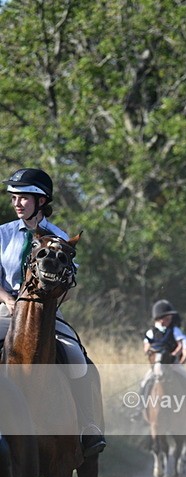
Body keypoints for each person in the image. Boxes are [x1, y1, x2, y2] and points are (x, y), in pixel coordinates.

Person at [0, 168, 106, 458]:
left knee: (77, 358)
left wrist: (51, 302)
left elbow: (71, 285)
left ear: (41, 200)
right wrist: (9, 299)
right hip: (5, 311)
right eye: (14, 198)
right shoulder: (2, 234)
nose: (17, 203)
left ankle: (88, 426)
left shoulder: (59, 237)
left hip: (46, 314)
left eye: (24, 197)